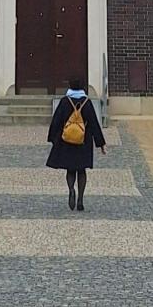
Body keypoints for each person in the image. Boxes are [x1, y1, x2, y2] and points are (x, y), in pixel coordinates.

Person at [45, 75, 106, 211]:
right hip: (83, 141)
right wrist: (100, 143)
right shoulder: (87, 103)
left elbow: (56, 121)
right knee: (82, 170)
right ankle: (80, 199)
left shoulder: (64, 102)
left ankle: (71, 189)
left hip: (67, 140)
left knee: (70, 169)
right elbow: (94, 123)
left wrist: (53, 138)